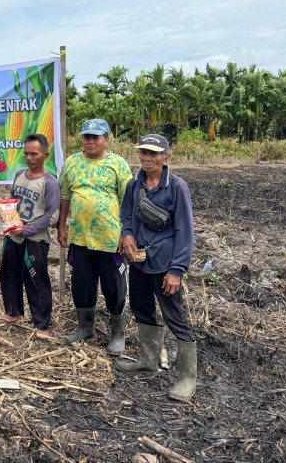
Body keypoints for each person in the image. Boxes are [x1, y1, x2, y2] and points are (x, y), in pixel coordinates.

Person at [116, 134, 197, 401]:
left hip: (165, 265)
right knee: (141, 308)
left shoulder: (177, 187)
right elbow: (126, 214)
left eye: (153, 153)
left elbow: (185, 231)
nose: (147, 158)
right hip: (139, 261)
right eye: (143, 152)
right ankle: (147, 361)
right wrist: (127, 234)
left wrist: (177, 270)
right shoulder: (134, 184)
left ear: (166, 157)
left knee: (175, 317)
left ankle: (187, 378)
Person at [57, 118, 132, 355]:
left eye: (95, 137)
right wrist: (61, 227)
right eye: (86, 137)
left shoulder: (118, 164)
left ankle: (117, 333)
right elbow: (65, 196)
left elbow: (128, 202)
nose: (90, 141)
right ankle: (85, 327)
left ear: (106, 139)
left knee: (114, 286)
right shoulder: (72, 162)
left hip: (110, 238)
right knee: (82, 284)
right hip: (80, 237)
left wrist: (126, 233)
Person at [0, 134, 60, 333]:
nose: (29, 158)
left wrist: (27, 230)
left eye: (34, 154)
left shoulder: (50, 183)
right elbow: (15, 200)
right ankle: (13, 312)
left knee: (36, 279)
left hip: (34, 239)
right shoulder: (19, 175)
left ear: (45, 156)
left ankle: (41, 324)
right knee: (9, 273)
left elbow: (52, 216)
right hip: (13, 235)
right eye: (26, 153)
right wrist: (3, 205)